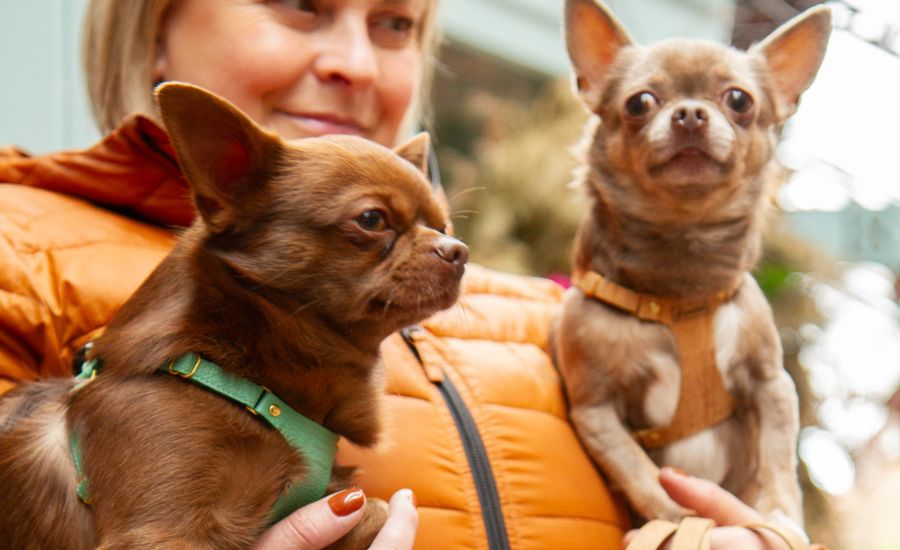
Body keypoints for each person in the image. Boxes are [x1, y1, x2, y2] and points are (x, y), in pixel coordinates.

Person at [0, 1, 817, 548]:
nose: (355, 61)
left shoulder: (556, 321)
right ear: (149, 23)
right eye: (302, 4)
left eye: (395, 24)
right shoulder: (21, 250)